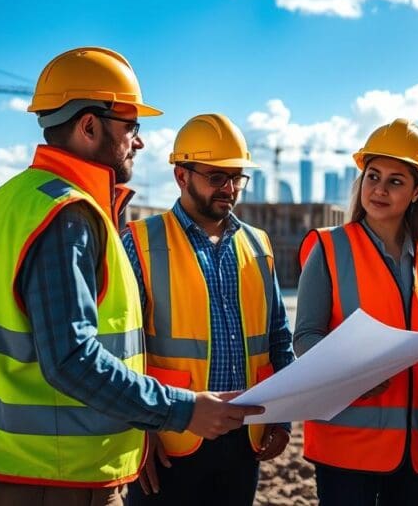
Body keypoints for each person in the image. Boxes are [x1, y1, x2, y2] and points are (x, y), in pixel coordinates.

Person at [0, 48, 263, 506]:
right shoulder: (66, 215)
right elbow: (71, 360)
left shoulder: (10, 202)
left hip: (7, 462)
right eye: (131, 126)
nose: (138, 142)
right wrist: (182, 410)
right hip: (56, 475)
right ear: (89, 126)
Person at [293, 118, 418, 506]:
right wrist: (350, 375)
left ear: (417, 191)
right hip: (347, 442)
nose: (380, 189)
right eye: (373, 176)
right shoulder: (328, 248)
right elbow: (305, 339)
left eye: (395, 181)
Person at [122, 113, 295, 506]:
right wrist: (139, 430)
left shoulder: (257, 244)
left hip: (244, 437)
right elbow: (122, 351)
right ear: (181, 176)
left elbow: (278, 338)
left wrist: (282, 419)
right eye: (216, 177)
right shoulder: (140, 242)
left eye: (236, 177)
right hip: (168, 437)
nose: (229, 188)